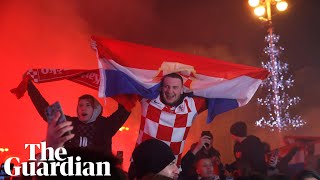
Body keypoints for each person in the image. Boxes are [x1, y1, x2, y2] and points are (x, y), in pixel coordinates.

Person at [27, 80, 131, 156]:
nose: (83, 109)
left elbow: (125, 107)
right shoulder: (69, 124)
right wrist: (30, 87)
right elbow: (45, 111)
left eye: (87, 105)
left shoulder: (106, 125)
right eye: (80, 105)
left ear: (95, 109)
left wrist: (119, 84)